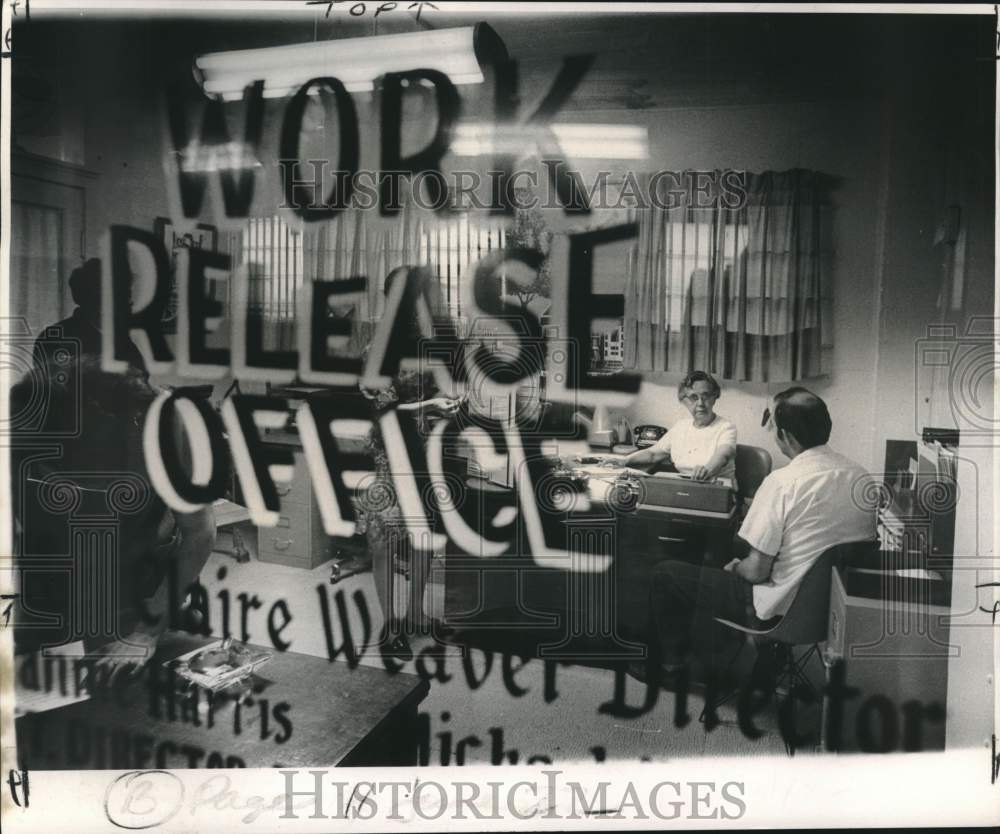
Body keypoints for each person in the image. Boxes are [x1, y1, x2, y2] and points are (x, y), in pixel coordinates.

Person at [641, 387, 877, 681]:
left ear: (784, 436)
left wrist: (735, 567)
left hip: (779, 610)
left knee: (665, 574)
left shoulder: (782, 483)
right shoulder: (862, 476)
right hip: (833, 610)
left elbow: (755, 572)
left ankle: (671, 667)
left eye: (773, 425)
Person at [11, 357, 215, 676]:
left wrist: (146, 631)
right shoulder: (21, 426)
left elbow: (199, 533)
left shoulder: (168, 425)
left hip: (137, 581)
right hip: (49, 580)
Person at [360, 267, 464, 662]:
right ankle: (391, 627)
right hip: (389, 457)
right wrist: (431, 405)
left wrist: (451, 401)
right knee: (384, 542)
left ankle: (417, 615)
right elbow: (383, 408)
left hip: (425, 454)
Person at [603, 370, 737, 484]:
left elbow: (723, 455)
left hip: (717, 488)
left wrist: (706, 470)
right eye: (693, 397)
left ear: (714, 397)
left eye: (705, 396)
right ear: (684, 401)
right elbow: (653, 454)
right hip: (687, 488)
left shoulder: (726, 427)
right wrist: (624, 461)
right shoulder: (680, 427)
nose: (700, 403)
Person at [33, 257, 148, 380]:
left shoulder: (120, 339)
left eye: (127, 297)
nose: (129, 305)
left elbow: (141, 378)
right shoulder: (54, 339)